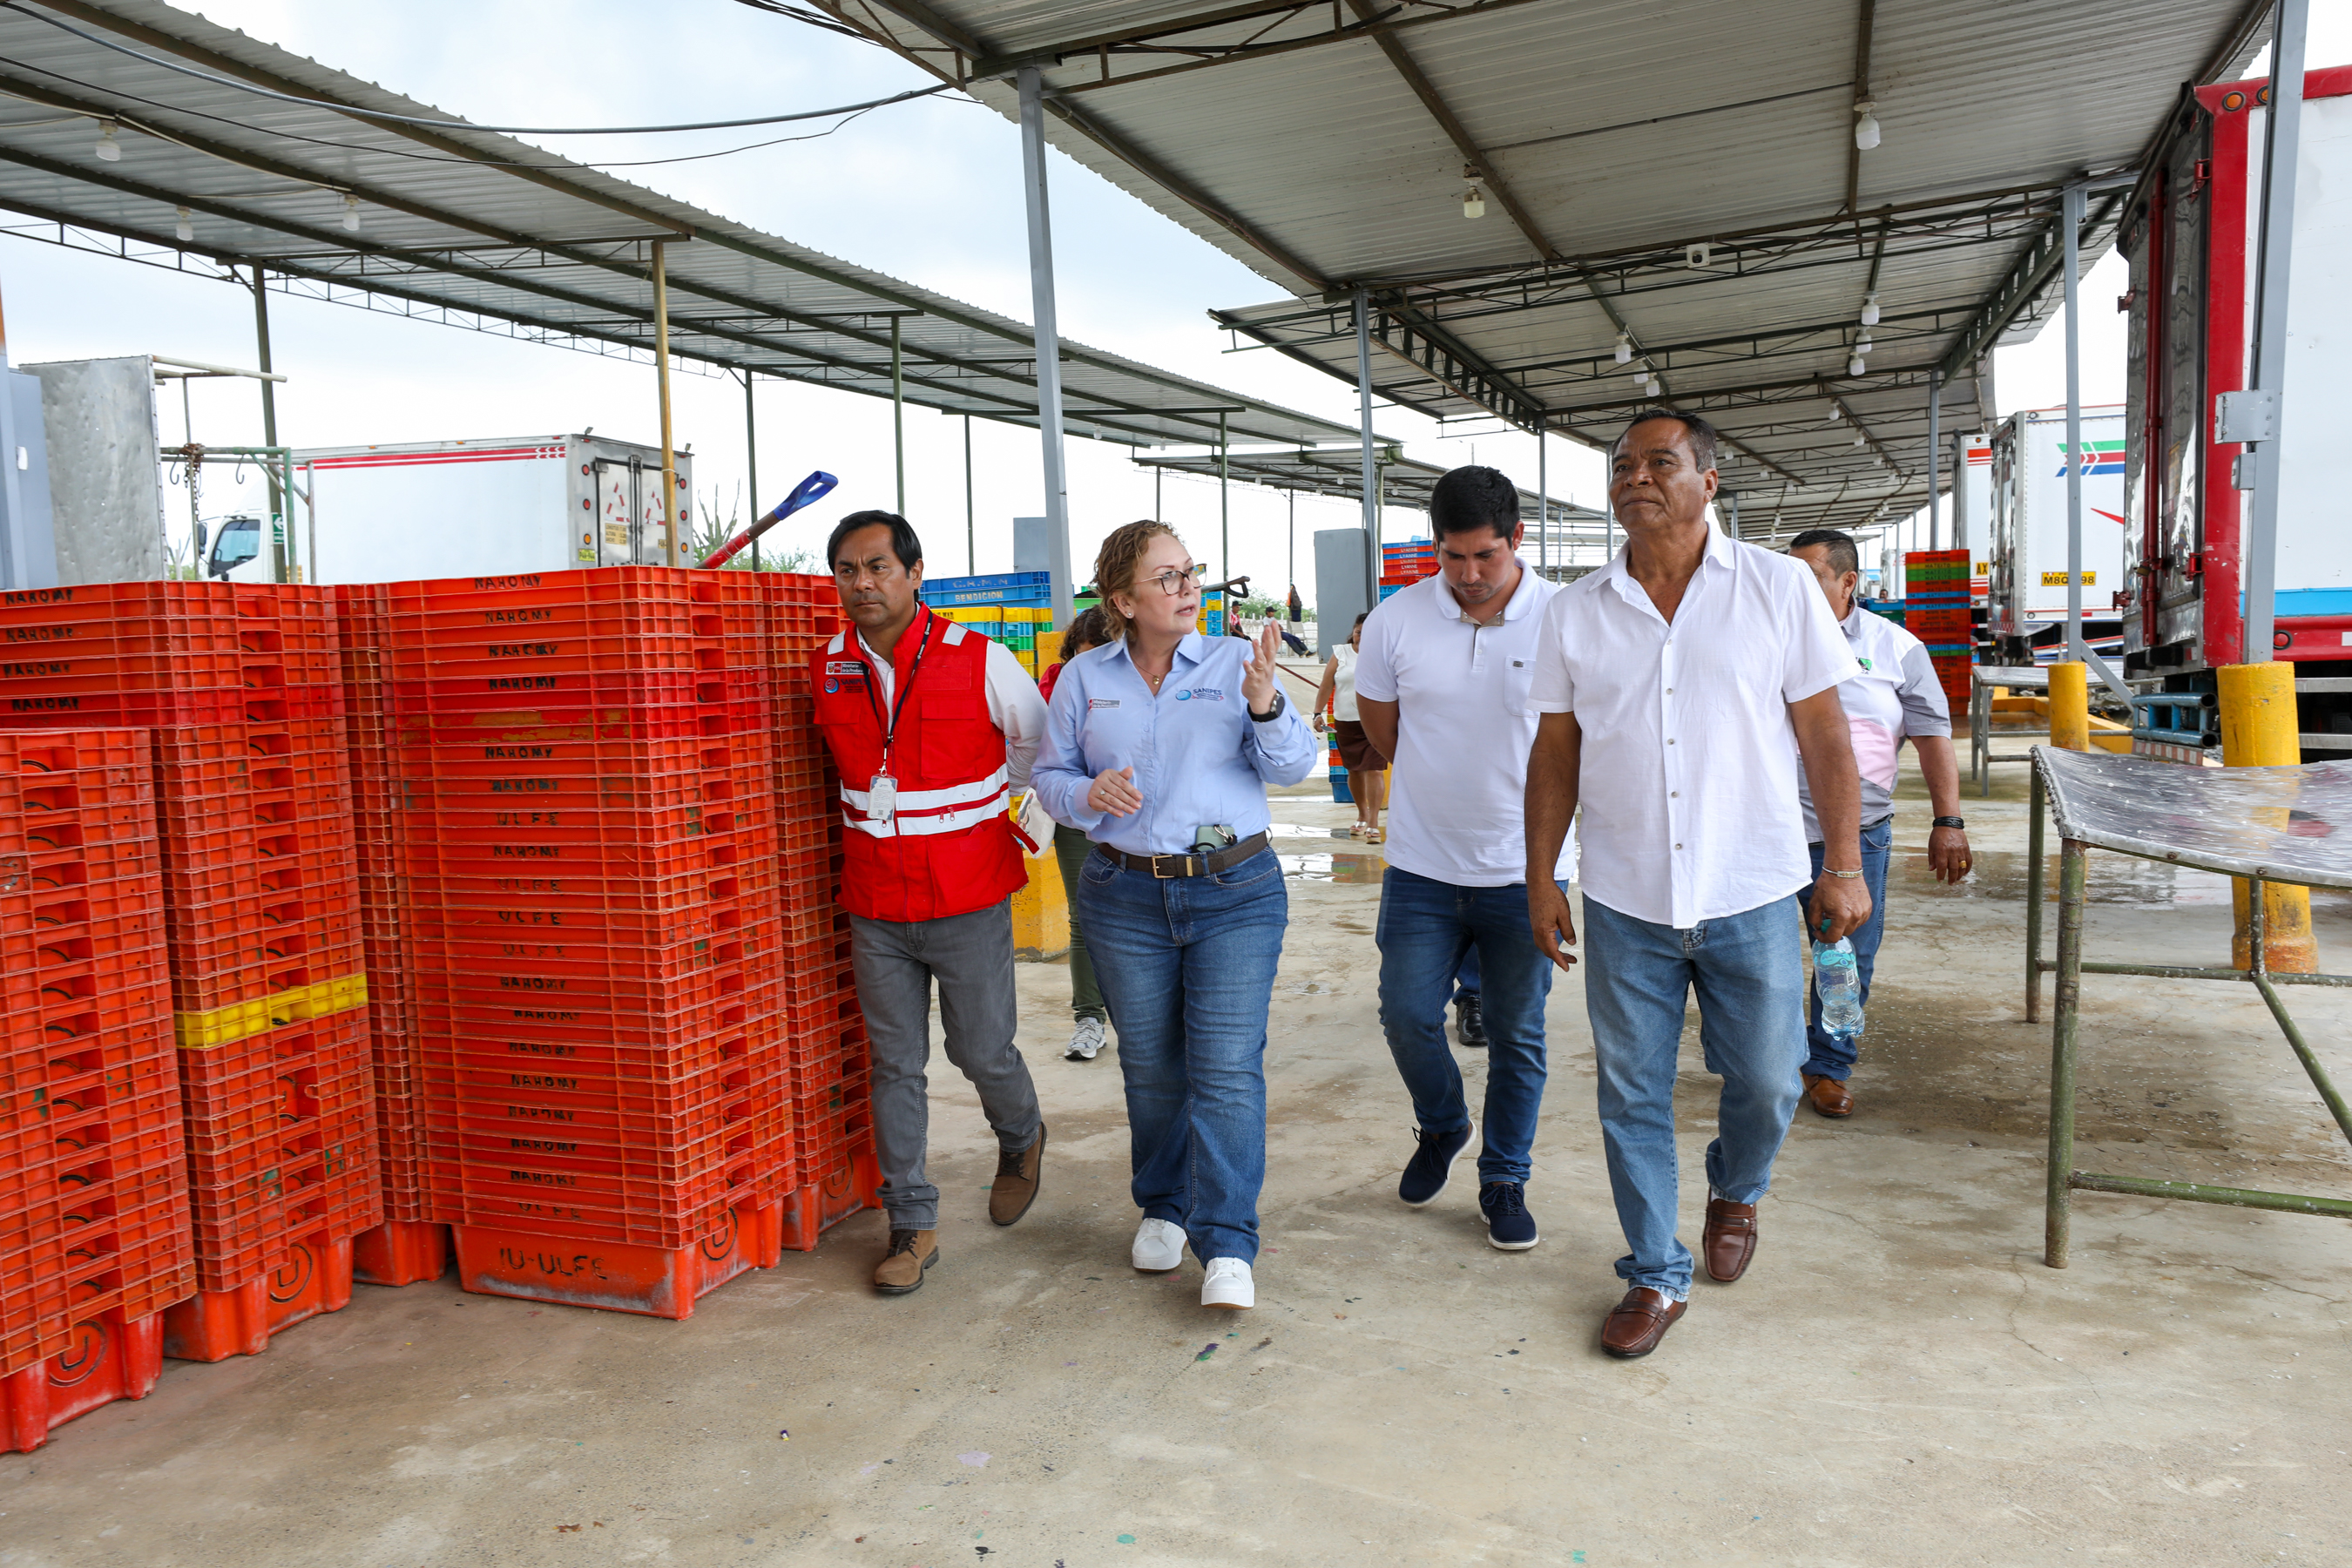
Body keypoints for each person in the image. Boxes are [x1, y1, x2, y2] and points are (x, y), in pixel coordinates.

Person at [1523, 410, 1870, 1359]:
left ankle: (1737, 1187)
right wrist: (1542, 876)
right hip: (1625, 895)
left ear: (1708, 481)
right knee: (1630, 1092)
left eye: (1660, 462)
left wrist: (1843, 864)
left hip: (1749, 886)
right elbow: (1555, 752)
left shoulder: (1777, 587)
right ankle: (1653, 1272)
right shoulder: (1575, 611)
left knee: (1767, 1078)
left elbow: (1825, 732)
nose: (1636, 477)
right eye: (1622, 466)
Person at [1034, 521, 1318, 1311]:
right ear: (1123, 600)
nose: (1188, 587)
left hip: (1235, 892)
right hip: (1125, 895)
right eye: (1167, 577)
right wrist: (1086, 792)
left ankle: (1227, 1241)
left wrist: (1265, 704)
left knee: (1224, 1067)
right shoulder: (1085, 677)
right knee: (1152, 1067)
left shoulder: (1235, 663)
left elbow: (1296, 767)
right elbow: (1049, 776)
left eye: (1190, 571)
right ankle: (1165, 1205)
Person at [811, 510, 1049, 1298]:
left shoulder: (979, 659)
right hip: (875, 900)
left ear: (915, 574)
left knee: (980, 1050)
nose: (862, 583)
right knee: (894, 1064)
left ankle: (1021, 1135)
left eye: (878, 566)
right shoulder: (828, 667)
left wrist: (1007, 815)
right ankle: (911, 1223)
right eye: (847, 570)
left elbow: (1039, 745)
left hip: (967, 893)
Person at [1354, 465, 1571, 1252]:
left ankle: (1504, 1176)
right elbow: (1385, 732)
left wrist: (1548, 868)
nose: (1469, 574)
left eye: (1486, 555)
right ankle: (1444, 1123)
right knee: (1407, 1013)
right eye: (1452, 556)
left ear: (1517, 538)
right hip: (1421, 867)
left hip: (1526, 872)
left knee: (1518, 1034)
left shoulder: (1564, 617)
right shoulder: (1395, 621)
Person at [1786, 528, 1973, 1119]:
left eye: (1810, 577)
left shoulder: (1895, 648)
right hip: (1765, 828)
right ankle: (1768, 1061)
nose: (1795, 589)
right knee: (1755, 957)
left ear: (1848, 582)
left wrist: (1948, 820)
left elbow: (1932, 736)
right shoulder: (1767, 637)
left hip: (1855, 834)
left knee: (1843, 957)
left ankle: (1828, 1065)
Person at [1037, 606, 1116, 1063]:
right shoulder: (1052, 688)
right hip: (1075, 817)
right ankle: (1089, 1018)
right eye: (1082, 659)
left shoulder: (1141, 684)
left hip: (1131, 814)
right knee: (1084, 918)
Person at [1314, 613, 1387, 842]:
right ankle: (1362, 814)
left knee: (1375, 769)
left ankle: (1373, 821)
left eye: (1367, 633)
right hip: (1346, 721)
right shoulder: (1341, 653)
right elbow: (1326, 685)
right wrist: (1317, 713)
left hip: (1376, 721)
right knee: (1354, 770)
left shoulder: (1383, 653)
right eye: (1358, 632)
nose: (1361, 637)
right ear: (1353, 633)